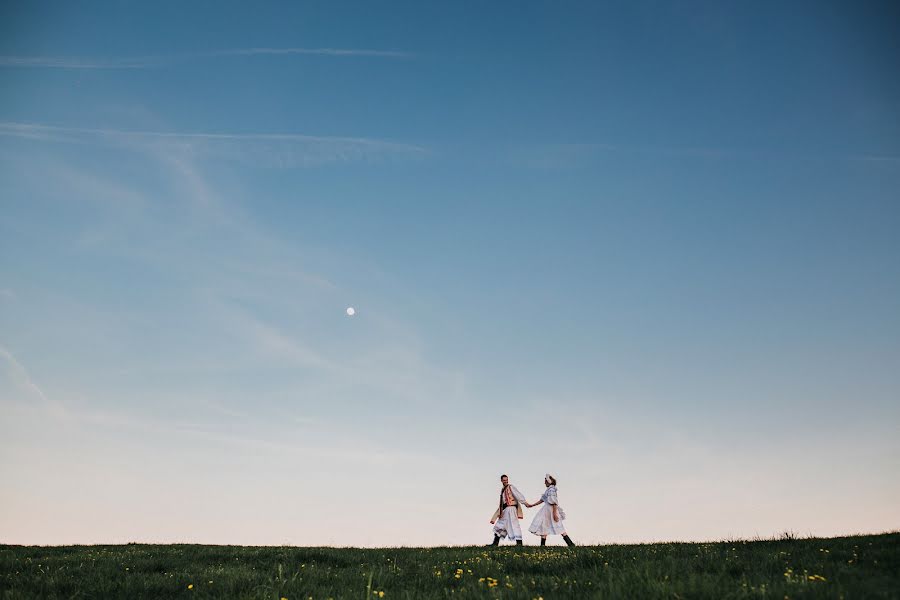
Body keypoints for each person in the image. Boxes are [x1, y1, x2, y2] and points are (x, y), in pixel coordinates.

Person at [525, 473, 575, 547]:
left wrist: (554, 513)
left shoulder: (551, 490)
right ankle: (542, 546)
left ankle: (570, 544)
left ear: (548, 481)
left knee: (558, 525)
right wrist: (532, 505)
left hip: (551, 510)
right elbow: (542, 500)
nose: (544, 482)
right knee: (544, 526)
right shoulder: (548, 490)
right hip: (546, 510)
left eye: (545, 481)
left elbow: (554, 502)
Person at [488, 474, 527, 546]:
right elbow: (501, 504)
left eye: (506, 480)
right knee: (500, 525)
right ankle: (495, 543)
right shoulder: (502, 490)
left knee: (514, 525)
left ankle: (519, 544)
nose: (505, 481)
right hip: (505, 510)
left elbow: (518, 495)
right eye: (504, 480)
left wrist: (525, 503)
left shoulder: (511, 487)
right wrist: (499, 513)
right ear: (501, 481)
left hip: (511, 509)